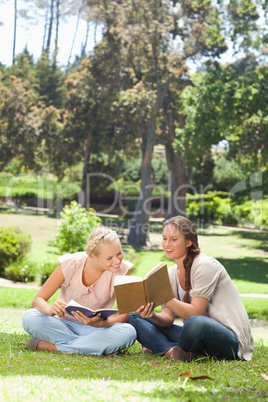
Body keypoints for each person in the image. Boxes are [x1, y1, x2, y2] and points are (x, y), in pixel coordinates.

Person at [128, 216, 255, 361]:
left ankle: (164, 345)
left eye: (174, 239)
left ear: (188, 242)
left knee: (194, 322)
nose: (167, 244)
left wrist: (164, 295)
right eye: (164, 238)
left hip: (230, 341)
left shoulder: (204, 265)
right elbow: (168, 319)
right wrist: (152, 315)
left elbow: (196, 313)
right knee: (135, 317)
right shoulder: (171, 274)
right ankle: (171, 351)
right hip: (196, 336)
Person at [22, 227, 137, 355]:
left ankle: (51, 347)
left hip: (96, 329)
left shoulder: (123, 270)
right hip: (63, 325)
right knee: (30, 317)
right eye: (109, 258)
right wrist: (50, 309)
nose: (117, 261)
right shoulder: (71, 264)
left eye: (119, 253)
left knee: (129, 332)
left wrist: (100, 324)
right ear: (93, 256)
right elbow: (38, 300)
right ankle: (94, 347)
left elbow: (123, 315)